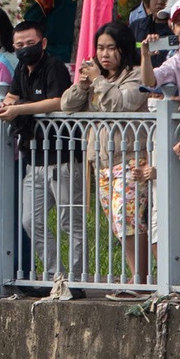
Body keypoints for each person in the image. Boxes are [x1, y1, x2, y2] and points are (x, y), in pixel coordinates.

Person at [62, 21, 153, 293]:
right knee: (118, 224)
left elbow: (122, 105)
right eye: (100, 48)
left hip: (131, 158)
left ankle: (141, 279)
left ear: (123, 50)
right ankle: (136, 277)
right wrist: (82, 83)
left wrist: (99, 81)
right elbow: (67, 105)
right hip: (101, 162)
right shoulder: (96, 81)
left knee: (127, 220)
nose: (104, 54)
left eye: (111, 48)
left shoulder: (137, 75)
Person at [2, 16, 77, 282]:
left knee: (71, 223)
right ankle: (57, 275)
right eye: (19, 44)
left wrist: (19, 108)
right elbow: (10, 96)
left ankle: (78, 280)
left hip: (63, 157)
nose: (25, 48)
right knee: (30, 221)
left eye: (30, 43)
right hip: (34, 157)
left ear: (43, 43)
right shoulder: (21, 69)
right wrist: (4, 106)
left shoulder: (54, 66)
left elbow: (57, 102)